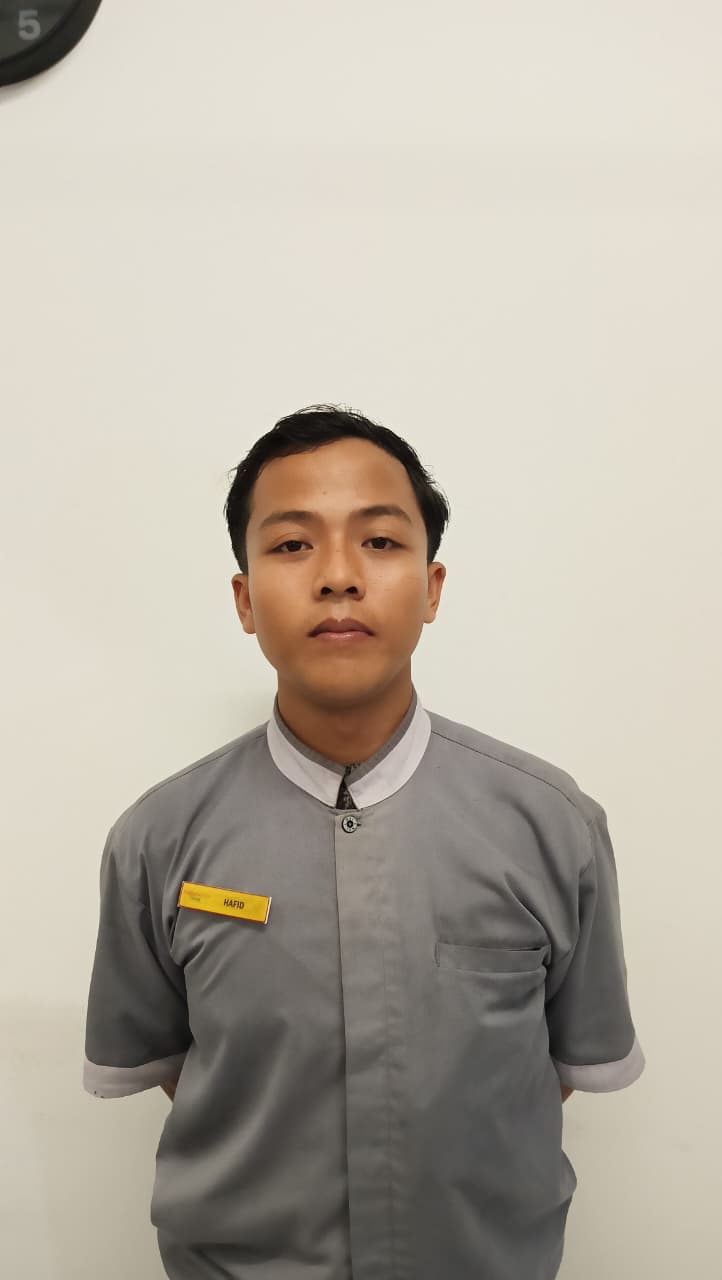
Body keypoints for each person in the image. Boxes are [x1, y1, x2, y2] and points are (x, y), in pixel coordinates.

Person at [83, 402, 645, 1280]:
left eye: (380, 542)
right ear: (244, 599)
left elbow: (558, 1067)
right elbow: (173, 1066)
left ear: (432, 587)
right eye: (292, 544)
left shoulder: (551, 824)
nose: (339, 576)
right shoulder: (157, 839)